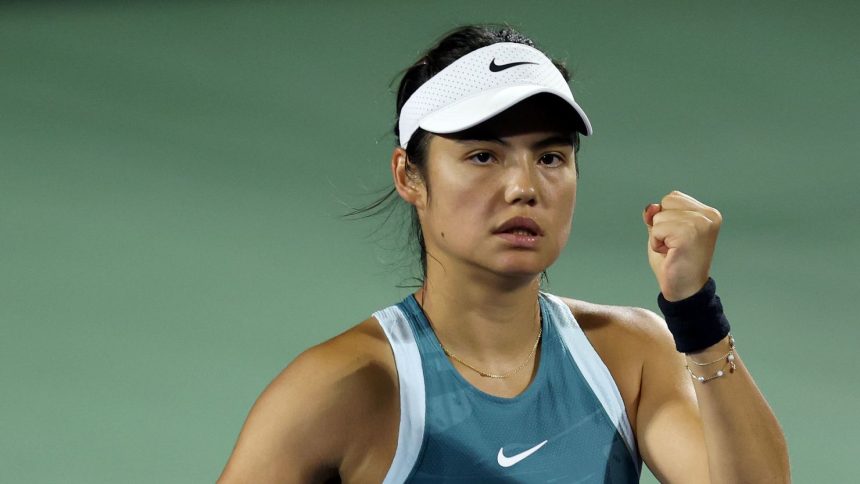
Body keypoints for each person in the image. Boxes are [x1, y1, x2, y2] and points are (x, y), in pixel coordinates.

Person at [217, 25, 790, 483]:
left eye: (550, 157)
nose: (524, 187)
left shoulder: (630, 356)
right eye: (484, 156)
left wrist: (694, 312)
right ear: (409, 175)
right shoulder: (343, 387)